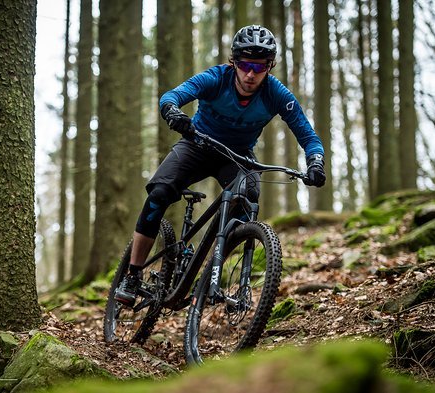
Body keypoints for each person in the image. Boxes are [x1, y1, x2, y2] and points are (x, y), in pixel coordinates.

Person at [115, 24, 326, 306]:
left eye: (260, 66)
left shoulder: (277, 94)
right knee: (159, 194)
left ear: (270, 65)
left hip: (236, 156)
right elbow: (172, 95)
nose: (251, 73)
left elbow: (308, 135)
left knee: (247, 198)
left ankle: (209, 275)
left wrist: (315, 162)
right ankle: (133, 273)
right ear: (234, 62)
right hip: (196, 145)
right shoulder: (216, 78)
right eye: (245, 64)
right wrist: (173, 112)